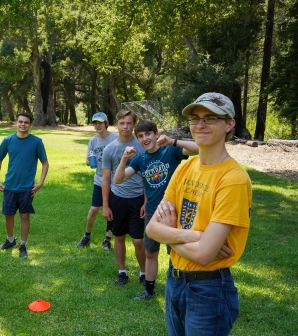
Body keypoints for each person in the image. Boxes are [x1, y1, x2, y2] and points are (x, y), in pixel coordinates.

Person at [146, 92, 251, 335]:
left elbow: (204, 255)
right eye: (195, 118)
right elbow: (151, 229)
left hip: (209, 290)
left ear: (230, 124)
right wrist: (198, 236)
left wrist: (169, 235)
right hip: (174, 281)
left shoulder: (233, 179)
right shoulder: (187, 167)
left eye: (210, 118)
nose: (200, 125)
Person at [114, 120, 199, 300]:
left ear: (156, 133)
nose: (145, 139)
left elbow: (199, 148)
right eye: (141, 136)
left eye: (148, 134)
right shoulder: (140, 159)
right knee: (150, 252)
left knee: (176, 252)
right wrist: (124, 158)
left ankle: (178, 288)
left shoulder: (170, 151)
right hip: (153, 212)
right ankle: (149, 291)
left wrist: (173, 141)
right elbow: (118, 179)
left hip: (173, 211)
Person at [101, 109, 146, 286]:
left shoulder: (142, 146)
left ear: (134, 125)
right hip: (117, 198)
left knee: (137, 239)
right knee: (118, 236)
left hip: (137, 198)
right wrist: (105, 205)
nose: (125, 127)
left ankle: (143, 273)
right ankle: (122, 272)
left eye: (129, 123)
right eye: (122, 123)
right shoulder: (110, 149)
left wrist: (145, 201)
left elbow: (146, 177)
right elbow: (106, 179)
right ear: (116, 124)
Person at [0, 112, 49, 258]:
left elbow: (45, 163)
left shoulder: (36, 142)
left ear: (30, 125)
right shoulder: (8, 140)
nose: (23, 124)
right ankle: (10, 240)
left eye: (26, 122)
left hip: (26, 187)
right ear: (16, 123)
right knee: (8, 215)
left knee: (24, 216)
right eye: (20, 122)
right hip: (10, 185)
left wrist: (40, 182)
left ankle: (23, 245)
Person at [76, 112, 118, 249]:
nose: (97, 125)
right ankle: (86, 236)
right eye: (95, 123)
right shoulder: (93, 141)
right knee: (94, 209)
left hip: (115, 180)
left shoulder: (116, 138)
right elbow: (88, 162)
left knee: (112, 210)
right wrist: (89, 160)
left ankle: (107, 239)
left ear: (106, 123)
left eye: (100, 122)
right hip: (99, 179)